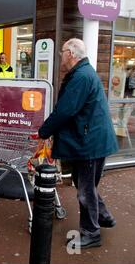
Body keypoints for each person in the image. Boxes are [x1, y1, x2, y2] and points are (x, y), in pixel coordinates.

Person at [38, 38, 118, 249]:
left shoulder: (81, 77)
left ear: (71, 54)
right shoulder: (83, 73)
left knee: (85, 189)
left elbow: (65, 110)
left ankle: (91, 233)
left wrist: (43, 131)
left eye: (62, 52)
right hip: (92, 140)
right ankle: (104, 216)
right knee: (87, 185)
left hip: (89, 143)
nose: (60, 56)